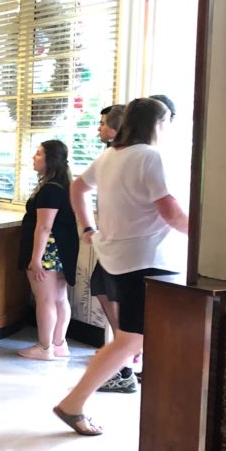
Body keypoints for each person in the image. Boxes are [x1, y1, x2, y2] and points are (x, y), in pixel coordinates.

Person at [52, 98, 188, 436]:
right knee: (131, 339)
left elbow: (78, 188)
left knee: (132, 339)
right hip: (146, 261)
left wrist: (88, 228)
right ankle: (73, 404)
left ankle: (76, 403)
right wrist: (206, 235)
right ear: (159, 123)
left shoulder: (111, 155)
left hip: (118, 258)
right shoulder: (150, 156)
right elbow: (170, 212)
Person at [86, 105, 138, 394]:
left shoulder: (134, 158)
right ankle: (122, 359)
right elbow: (80, 189)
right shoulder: (109, 158)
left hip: (126, 250)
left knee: (122, 308)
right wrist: (89, 228)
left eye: (104, 123)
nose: (99, 128)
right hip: (110, 245)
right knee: (102, 290)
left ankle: (124, 366)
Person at [16, 140, 78, 360]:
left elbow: (44, 226)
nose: (34, 157)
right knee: (59, 298)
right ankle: (59, 344)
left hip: (48, 251)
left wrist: (35, 259)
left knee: (45, 299)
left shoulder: (50, 189)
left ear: (51, 160)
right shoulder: (65, 186)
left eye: (39, 154)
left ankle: (44, 347)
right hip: (62, 250)